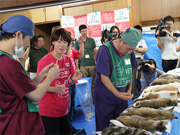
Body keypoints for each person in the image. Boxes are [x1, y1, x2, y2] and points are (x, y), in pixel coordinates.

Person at [0, 15, 62, 135]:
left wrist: (41, 75)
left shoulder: (5, 60)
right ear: (18, 35)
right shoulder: (7, 63)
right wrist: (50, 77)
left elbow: (23, 88)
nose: (28, 44)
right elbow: (34, 95)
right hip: (18, 124)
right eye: (28, 39)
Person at [94, 28, 142, 131]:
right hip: (105, 97)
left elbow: (129, 71)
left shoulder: (129, 52)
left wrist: (129, 90)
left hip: (121, 96)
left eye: (132, 50)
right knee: (105, 128)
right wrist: (117, 94)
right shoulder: (105, 50)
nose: (129, 52)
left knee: (121, 126)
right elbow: (104, 77)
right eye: (128, 49)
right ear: (120, 41)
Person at [36, 27, 82, 135]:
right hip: (48, 111)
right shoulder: (44, 61)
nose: (62, 45)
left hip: (63, 110)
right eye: (59, 41)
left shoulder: (68, 60)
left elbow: (68, 82)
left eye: (65, 42)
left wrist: (73, 79)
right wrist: (53, 89)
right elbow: (37, 86)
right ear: (53, 42)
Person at [74, 24, 96, 98]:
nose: (84, 32)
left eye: (86, 30)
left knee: (93, 83)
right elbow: (76, 56)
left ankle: (94, 98)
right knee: (84, 83)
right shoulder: (78, 42)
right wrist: (77, 67)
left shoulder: (91, 40)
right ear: (80, 32)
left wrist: (95, 60)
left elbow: (94, 52)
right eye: (83, 31)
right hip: (83, 65)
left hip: (92, 64)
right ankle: (86, 99)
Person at [132, 25, 148, 99]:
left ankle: (143, 94)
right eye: (137, 32)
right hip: (133, 60)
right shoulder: (131, 41)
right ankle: (134, 96)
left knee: (144, 77)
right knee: (133, 78)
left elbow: (145, 50)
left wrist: (137, 49)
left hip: (141, 60)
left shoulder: (143, 41)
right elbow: (131, 52)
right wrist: (139, 50)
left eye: (140, 32)